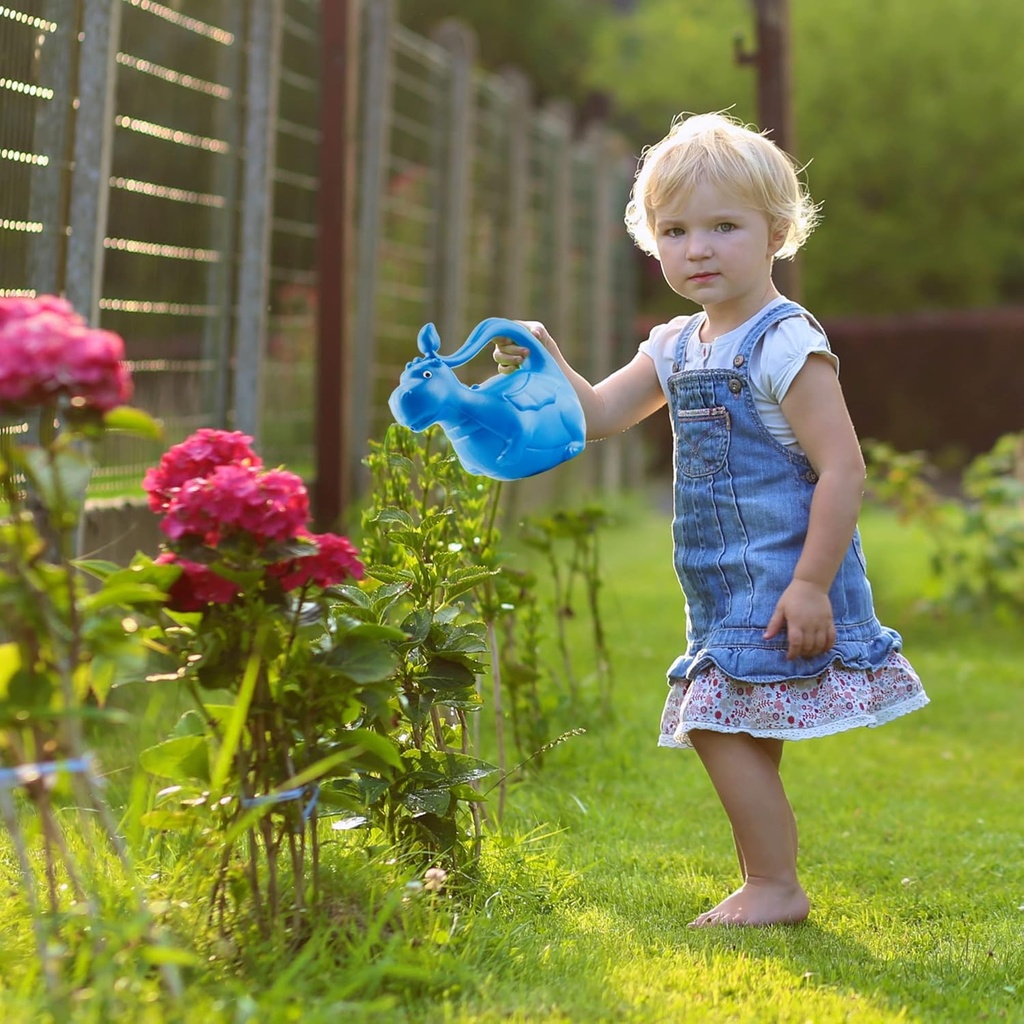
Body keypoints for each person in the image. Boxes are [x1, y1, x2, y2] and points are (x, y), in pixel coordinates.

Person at [493, 111, 928, 927]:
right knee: (739, 725)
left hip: (781, 578)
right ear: (651, 241)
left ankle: (774, 885)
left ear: (777, 233)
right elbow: (599, 416)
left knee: (713, 722)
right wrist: (550, 360)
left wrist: (811, 586)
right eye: (675, 230)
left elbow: (844, 468)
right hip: (720, 585)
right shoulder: (675, 345)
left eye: (723, 226)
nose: (697, 248)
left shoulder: (782, 342)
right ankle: (770, 882)